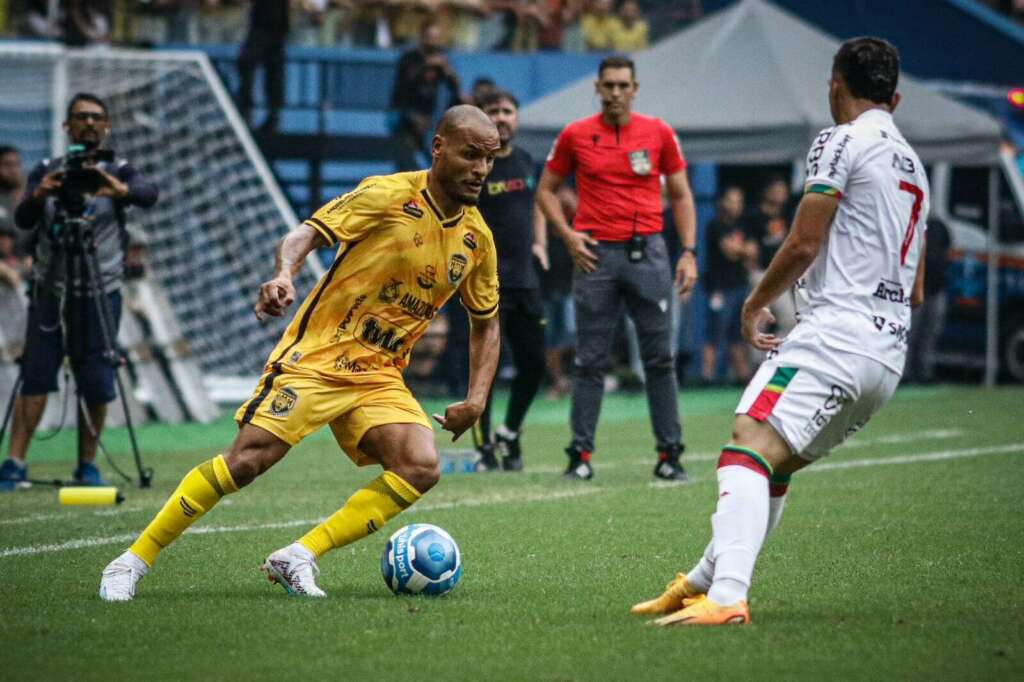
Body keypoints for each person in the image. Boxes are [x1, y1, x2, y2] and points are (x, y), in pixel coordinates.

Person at [98, 105, 501, 601]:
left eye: (489, 159)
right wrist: (284, 274)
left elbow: (487, 322)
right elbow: (305, 233)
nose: (481, 169)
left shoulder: (477, 239)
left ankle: (298, 556)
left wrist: (476, 399)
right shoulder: (388, 194)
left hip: (378, 375)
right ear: (439, 148)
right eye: (471, 155)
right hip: (317, 358)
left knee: (419, 465)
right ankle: (130, 561)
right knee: (246, 462)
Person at [633, 37, 929, 625]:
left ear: (835, 85)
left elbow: (802, 242)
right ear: (894, 99)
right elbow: (916, 289)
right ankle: (700, 582)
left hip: (836, 336)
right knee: (774, 463)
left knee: (744, 446)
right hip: (888, 354)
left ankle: (726, 597)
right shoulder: (915, 166)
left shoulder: (839, 140)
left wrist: (755, 303)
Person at [535, 55, 698, 481]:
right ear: (598, 88)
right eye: (608, 85)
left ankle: (669, 455)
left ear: (635, 89)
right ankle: (580, 457)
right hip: (595, 256)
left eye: (623, 85)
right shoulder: (575, 134)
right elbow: (546, 190)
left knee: (659, 360)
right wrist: (567, 236)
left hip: (650, 254)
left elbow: (682, 195)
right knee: (590, 361)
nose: (615, 93)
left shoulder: (659, 132)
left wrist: (688, 252)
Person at [0, 93, 159, 491]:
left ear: (106, 126)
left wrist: (119, 190)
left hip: (101, 290)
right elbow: (23, 220)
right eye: (81, 117)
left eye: (96, 117)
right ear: (67, 126)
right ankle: (14, 462)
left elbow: (149, 195)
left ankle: (87, 465)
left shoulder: (119, 169)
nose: (89, 123)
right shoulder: (47, 169)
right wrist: (40, 193)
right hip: (51, 289)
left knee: (98, 377)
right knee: (35, 373)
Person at [472, 89, 547, 472]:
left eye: (507, 111)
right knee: (484, 371)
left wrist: (541, 244)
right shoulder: (473, 166)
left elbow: (538, 205)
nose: (501, 117)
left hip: (525, 282)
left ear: (516, 117)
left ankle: (510, 433)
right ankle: (483, 449)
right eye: (494, 111)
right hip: (484, 285)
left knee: (535, 364)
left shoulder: (526, 160)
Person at [389, 21, 463, 171]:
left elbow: (455, 86)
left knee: (433, 155)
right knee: (406, 157)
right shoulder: (409, 57)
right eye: (430, 37)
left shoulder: (441, 59)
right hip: (405, 113)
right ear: (422, 37)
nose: (434, 42)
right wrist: (426, 64)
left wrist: (447, 69)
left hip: (428, 116)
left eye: (437, 38)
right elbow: (405, 84)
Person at [701, 186, 756, 385]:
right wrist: (743, 250)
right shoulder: (715, 225)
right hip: (720, 288)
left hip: (740, 284)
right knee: (714, 332)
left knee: (737, 333)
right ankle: (706, 377)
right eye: (732, 200)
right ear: (722, 202)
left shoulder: (743, 225)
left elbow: (753, 252)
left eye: (739, 201)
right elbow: (730, 252)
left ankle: (742, 376)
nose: (736, 205)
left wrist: (740, 250)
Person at [746, 174, 797, 338]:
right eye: (776, 191)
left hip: (781, 276)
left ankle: (777, 351)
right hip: (761, 273)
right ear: (766, 192)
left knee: (789, 320)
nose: (780, 194)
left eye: (782, 191)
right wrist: (752, 273)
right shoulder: (754, 216)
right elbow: (748, 248)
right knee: (760, 322)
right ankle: (757, 355)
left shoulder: (787, 215)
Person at [905, 216, 950, 383]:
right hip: (917, 288)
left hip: (936, 288)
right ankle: (906, 373)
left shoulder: (939, 226)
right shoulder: (913, 222)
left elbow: (948, 251)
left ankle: (925, 372)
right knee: (911, 333)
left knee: (930, 333)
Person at [238, 0, 290, 135]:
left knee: (272, 70)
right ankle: (251, 110)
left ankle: (270, 114)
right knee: (249, 64)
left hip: (274, 24)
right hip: (266, 23)